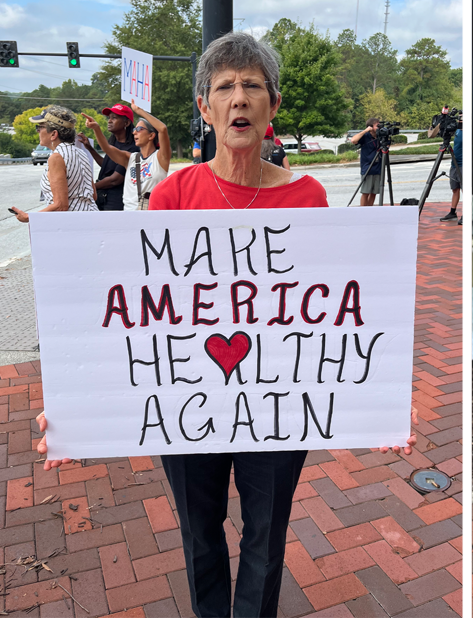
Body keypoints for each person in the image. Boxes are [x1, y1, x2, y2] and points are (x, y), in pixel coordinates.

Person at [37, 31, 417, 618]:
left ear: (272, 107)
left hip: (279, 403)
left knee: (266, 535)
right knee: (200, 532)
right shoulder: (172, 196)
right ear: (205, 108)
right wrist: (74, 400)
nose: (239, 98)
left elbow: (338, 309)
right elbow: (133, 313)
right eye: (224, 87)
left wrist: (385, 393)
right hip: (185, 402)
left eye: (252, 86)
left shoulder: (309, 196)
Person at [11, 106, 97, 221]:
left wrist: (29, 217)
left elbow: (61, 206)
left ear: (53, 134)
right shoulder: (81, 153)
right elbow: (93, 195)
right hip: (92, 218)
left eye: (40, 127)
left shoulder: (56, 158)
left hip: (72, 223)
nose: (38, 131)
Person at [82, 102, 170, 210]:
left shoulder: (160, 157)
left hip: (150, 214)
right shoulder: (130, 158)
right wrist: (96, 128)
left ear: (151, 135)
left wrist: (139, 111)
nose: (134, 133)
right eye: (134, 130)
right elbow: (107, 148)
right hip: (128, 216)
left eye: (139, 129)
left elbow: (162, 129)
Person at [82, 103, 138, 211]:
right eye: (109, 118)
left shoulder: (132, 149)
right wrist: (90, 148)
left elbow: (115, 179)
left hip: (115, 201)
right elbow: (107, 165)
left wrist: (90, 187)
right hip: (102, 197)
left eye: (114, 118)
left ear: (126, 123)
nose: (109, 121)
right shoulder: (113, 143)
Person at [440, 113, 471, 225]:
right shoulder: (457, 130)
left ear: (467, 119)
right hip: (454, 164)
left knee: (465, 190)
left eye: (462, 117)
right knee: (455, 189)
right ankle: (453, 212)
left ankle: (465, 215)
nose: (459, 119)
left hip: (465, 164)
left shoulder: (471, 132)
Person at [351, 117, 381, 206]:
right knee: (366, 192)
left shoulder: (380, 136)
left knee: (374, 192)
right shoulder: (365, 136)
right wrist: (365, 131)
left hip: (378, 167)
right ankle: (363, 210)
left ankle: (370, 209)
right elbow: (353, 140)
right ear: (370, 127)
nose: (379, 127)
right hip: (368, 167)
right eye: (377, 126)